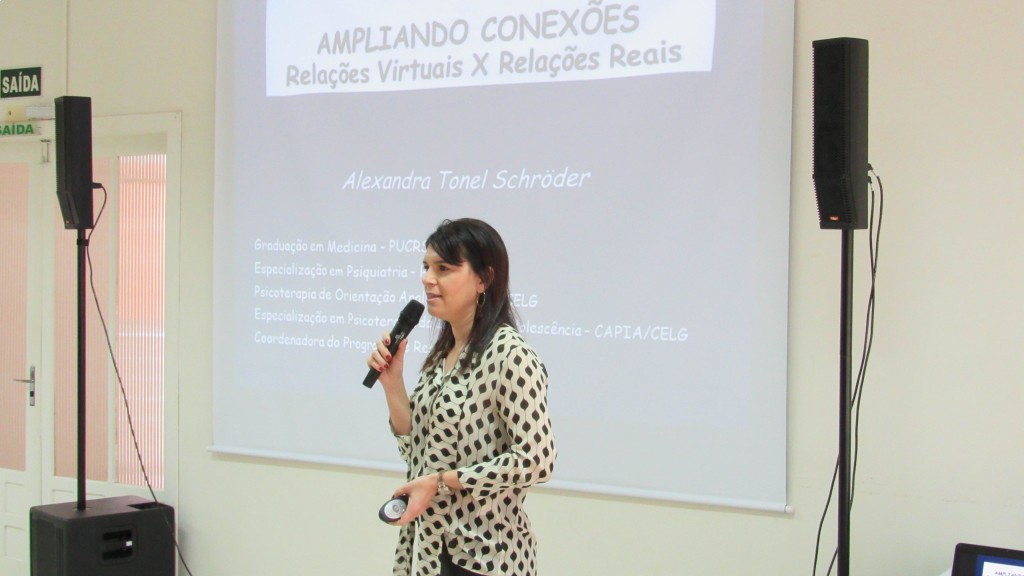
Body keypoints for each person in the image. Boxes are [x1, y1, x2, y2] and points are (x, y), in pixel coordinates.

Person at [367, 218, 557, 576]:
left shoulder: (510, 355)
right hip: (430, 548)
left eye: (443, 268)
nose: (427, 279)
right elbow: (417, 450)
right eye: (426, 267)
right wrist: (393, 384)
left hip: (488, 557)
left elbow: (537, 460)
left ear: (484, 279)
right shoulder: (443, 354)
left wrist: (442, 481)